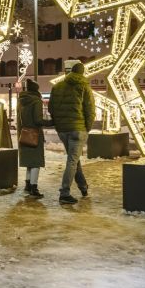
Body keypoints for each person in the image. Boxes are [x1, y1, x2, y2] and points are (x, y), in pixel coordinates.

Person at [49, 63, 95, 205]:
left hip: (62, 130)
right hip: (78, 129)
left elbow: (51, 108)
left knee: (74, 160)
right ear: (82, 73)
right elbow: (90, 110)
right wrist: (87, 127)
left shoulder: (57, 87)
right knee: (72, 161)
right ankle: (65, 193)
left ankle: (83, 187)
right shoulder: (84, 86)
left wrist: (58, 124)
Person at [17, 79, 53, 198]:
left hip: (24, 134)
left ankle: (27, 185)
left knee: (29, 162)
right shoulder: (36, 101)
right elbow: (38, 120)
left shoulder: (21, 101)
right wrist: (51, 123)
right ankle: (34, 188)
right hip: (34, 135)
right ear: (36, 90)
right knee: (36, 163)